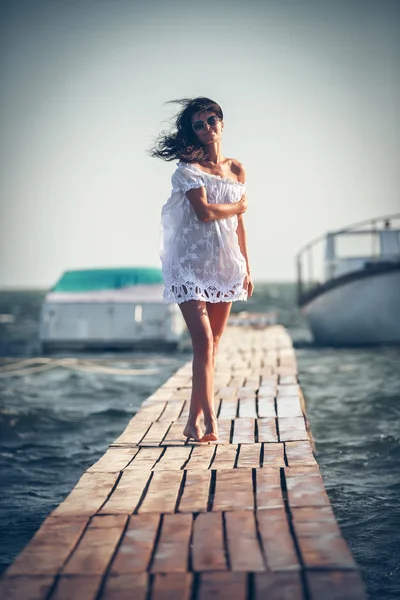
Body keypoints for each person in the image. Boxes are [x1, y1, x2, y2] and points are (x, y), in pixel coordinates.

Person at [148, 97, 254, 442]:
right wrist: (238, 204)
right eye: (199, 124)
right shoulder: (186, 170)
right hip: (189, 265)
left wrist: (246, 268)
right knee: (204, 341)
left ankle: (191, 422)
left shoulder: (237, 168)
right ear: (191, 131)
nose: (208, 127)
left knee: (214, 344)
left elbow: (240, 227)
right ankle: (211, 423)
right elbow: (205, 213)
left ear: (222, 123)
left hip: (225, 264)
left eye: (212, 120)